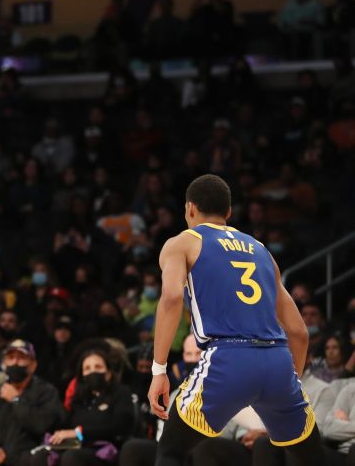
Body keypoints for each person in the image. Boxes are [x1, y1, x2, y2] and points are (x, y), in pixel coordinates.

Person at [147, 174, 326, 465]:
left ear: (189, 208)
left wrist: (159, 370)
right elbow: (299, 332)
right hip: (278, 358)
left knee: (171, 450)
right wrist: (288, 380)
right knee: (312, 458)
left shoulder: (182, 243)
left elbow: (170, 299)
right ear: (228, 213)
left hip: (228, 358)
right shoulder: (261, 250)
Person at [33, 348, 135, 466]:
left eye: (98, 367)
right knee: (41, 456)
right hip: (78, 446)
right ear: (82, 376)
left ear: (108, 372)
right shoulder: (79, 399)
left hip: (106, 450)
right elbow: (66, 426)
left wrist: (79, 432)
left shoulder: (121, 392)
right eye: (87, 368)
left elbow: (121, 426)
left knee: (72, 457)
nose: (93, 372)